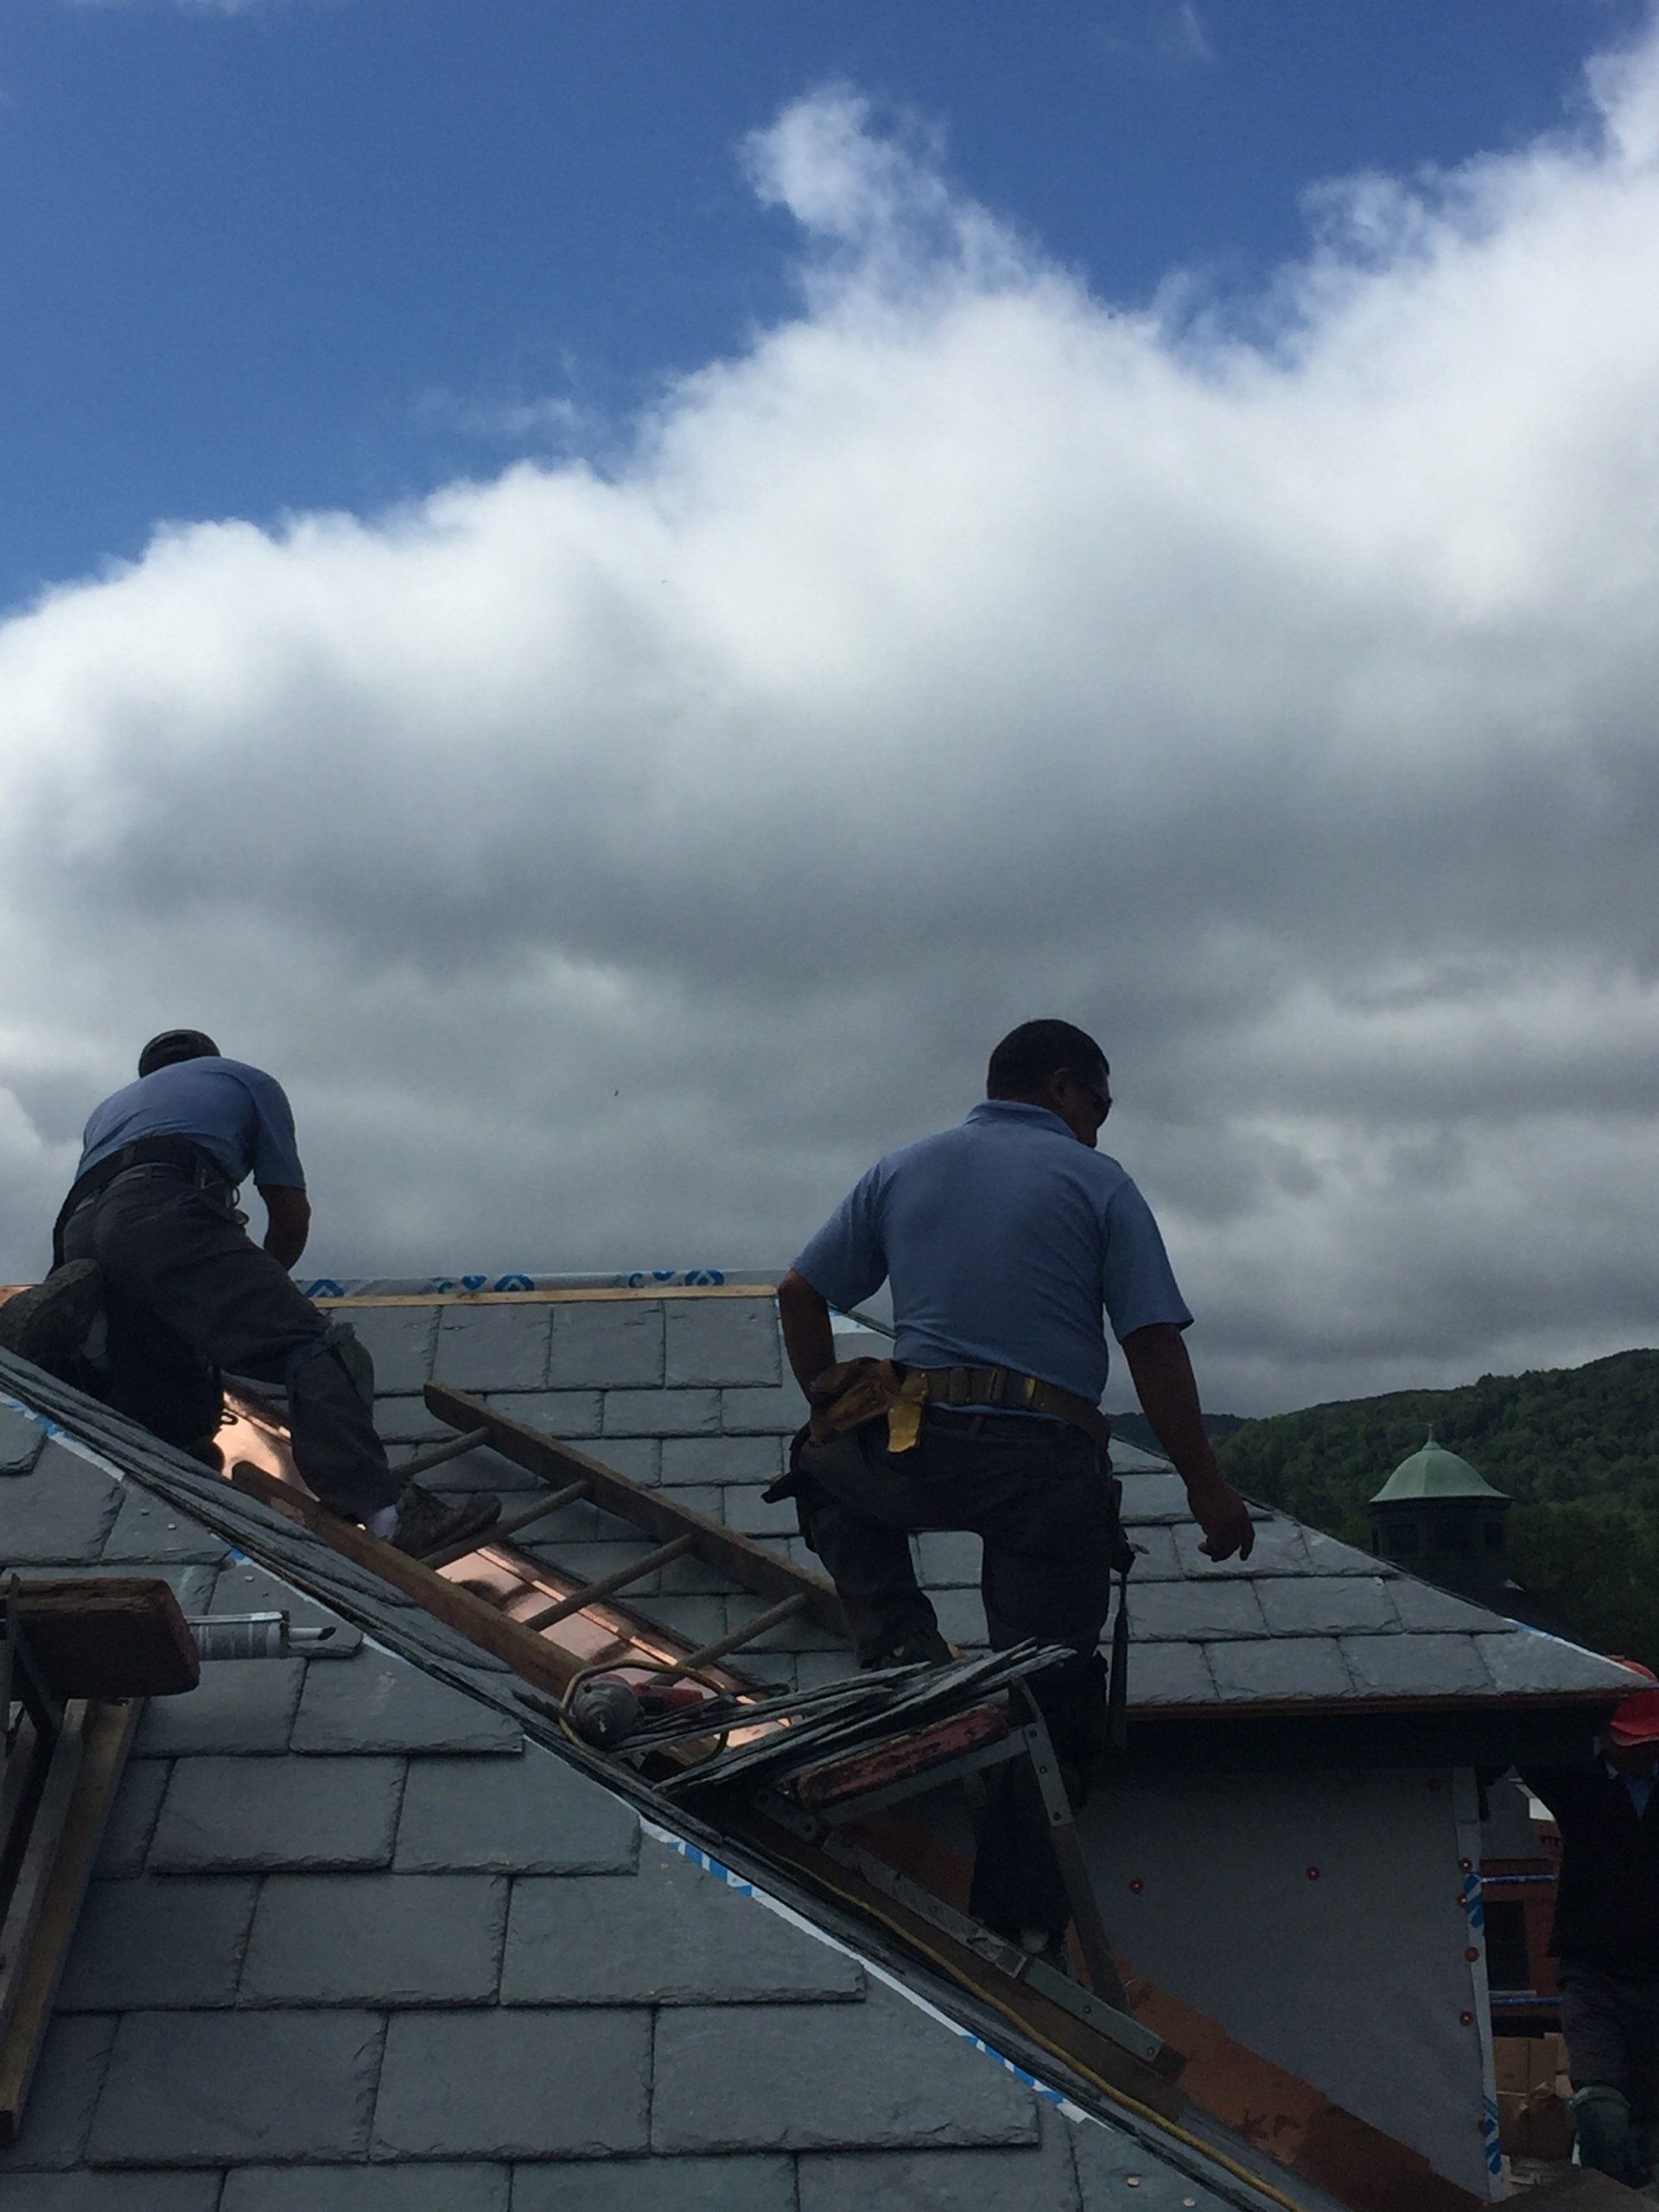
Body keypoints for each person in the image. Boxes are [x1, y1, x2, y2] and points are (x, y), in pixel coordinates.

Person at [774, 1018, 1253, 1950]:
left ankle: (904, 1649)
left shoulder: (903, 1167)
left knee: (816, 1464)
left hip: (918, 1430)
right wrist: (1206, 1485)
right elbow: (1151, 1343)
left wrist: (830, 1405)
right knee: (1045, 1699)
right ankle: (1016, 1928)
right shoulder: (1098, 1182)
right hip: (1046, 1458)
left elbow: (800, 1293)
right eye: (1099, 1106)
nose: (1102, 1128)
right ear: (1065, 1086)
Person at [0, 1029, 499, 1560]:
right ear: (209, 1059)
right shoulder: (243, 1079)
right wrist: (250, 1290)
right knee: (314, 1347)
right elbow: (288, 1217)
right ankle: (388, 1517)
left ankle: (96, 1350)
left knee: (169, 1405)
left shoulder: (110, 1110)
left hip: (79, 1233)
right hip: (162, 1211)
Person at [1524, 1660, 1659, 2189]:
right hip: (1594, 1974)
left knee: (1649, 2125)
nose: (1643, 1751)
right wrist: (1582, 1699)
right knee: (1601, 2112)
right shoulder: (1578, 1785)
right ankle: (1612, 2198)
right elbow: (1526, 1738)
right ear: (1605, 1736)